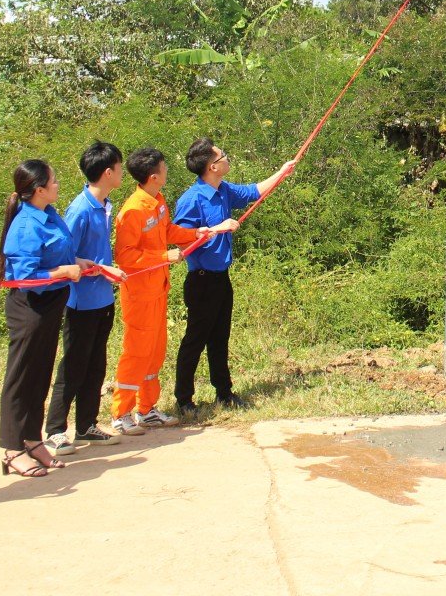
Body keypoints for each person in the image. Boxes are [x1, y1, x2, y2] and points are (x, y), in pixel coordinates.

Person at [110, 147, 230, 435]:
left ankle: (147, 409)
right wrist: (164, 257)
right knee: (137, 353)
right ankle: (121, 413)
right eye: (164, 167)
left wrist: (199, 233)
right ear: (154, 176)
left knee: (155, 351)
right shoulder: (133, 211)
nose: (167, 170)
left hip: (158, 288)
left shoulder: (157, 201)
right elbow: (125, 258)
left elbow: (168, 232)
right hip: (139, 293)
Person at [171, 138, 291, 414]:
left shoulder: (223, 189)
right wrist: (217, 228)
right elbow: (180, 244)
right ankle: (184, 399)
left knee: (220, 337)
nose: (227, 157)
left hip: (221, 278)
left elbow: (253, 192)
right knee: (195, 338)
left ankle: (223, 393)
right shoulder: (191, 200)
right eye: (222, 155)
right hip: (201, 280)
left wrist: (282, 171)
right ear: (212, 166)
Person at [0, 159, 91, 477]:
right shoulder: (25, 225)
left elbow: (60, 255)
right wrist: (63, 272)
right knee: (22, 378)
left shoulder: (50, 215)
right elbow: (25, 277)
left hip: (52, 305)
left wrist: (84, 264)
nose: (57, 184)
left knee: (40, 375)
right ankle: (12, 450)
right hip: (30, 308)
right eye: (53, 181)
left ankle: (31, 440)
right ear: (39, 189)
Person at [43, 142, 125, 456]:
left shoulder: (105, 205)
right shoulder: (79, 210)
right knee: (73, 366)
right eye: (118, 167)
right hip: (81, 302)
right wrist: (97, 267)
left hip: (103, 298)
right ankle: (54, 431)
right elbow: (66, 255)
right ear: (108, 172)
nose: (121, 172)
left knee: (96, 364)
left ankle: (87, 425)